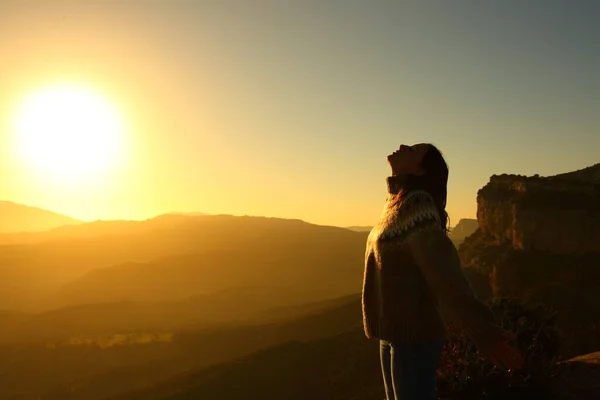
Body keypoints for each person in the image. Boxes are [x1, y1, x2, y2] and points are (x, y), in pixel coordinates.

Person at [361, 143, 523, 400]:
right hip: (393, 334)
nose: (403, 146)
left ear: (420, 171)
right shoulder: (394, 203)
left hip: (414, 339)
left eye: (413, 150)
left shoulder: (418, 205)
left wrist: (484, 331)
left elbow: (445, 274)